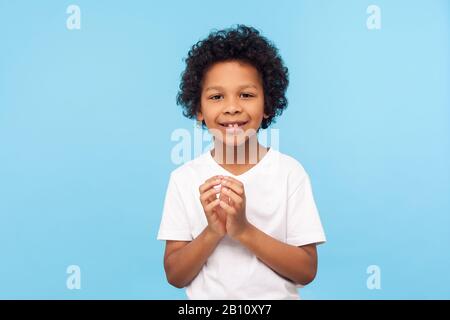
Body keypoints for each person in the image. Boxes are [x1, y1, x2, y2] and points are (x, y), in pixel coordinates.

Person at [157, 25, 326, 299]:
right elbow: (175, 276)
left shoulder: (289, 173)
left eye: (246, 95)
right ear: (199, 110)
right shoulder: (184, 178)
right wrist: (213, 231)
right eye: (216, 96)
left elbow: (306, 271)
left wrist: (243, 230)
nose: (232, 107)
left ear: (267, 104)